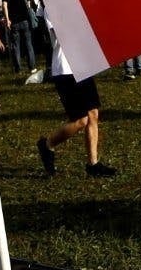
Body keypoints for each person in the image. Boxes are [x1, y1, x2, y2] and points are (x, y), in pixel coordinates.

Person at [35, 35, 115, 179]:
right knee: (81, 120)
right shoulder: (52, 17)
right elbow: (62, 34)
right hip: (65, 69)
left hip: (82, 64)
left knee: (93, 113)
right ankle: (47, 144)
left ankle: (93, 164)